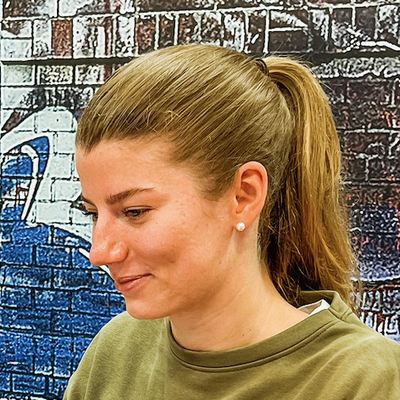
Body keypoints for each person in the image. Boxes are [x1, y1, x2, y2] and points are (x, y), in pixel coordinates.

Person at [63, 44, 400, 399]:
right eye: (93, 214)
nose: (100, 252)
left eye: (135, 212)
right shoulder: (117, 351)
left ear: (243, 196)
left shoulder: (366, 381)